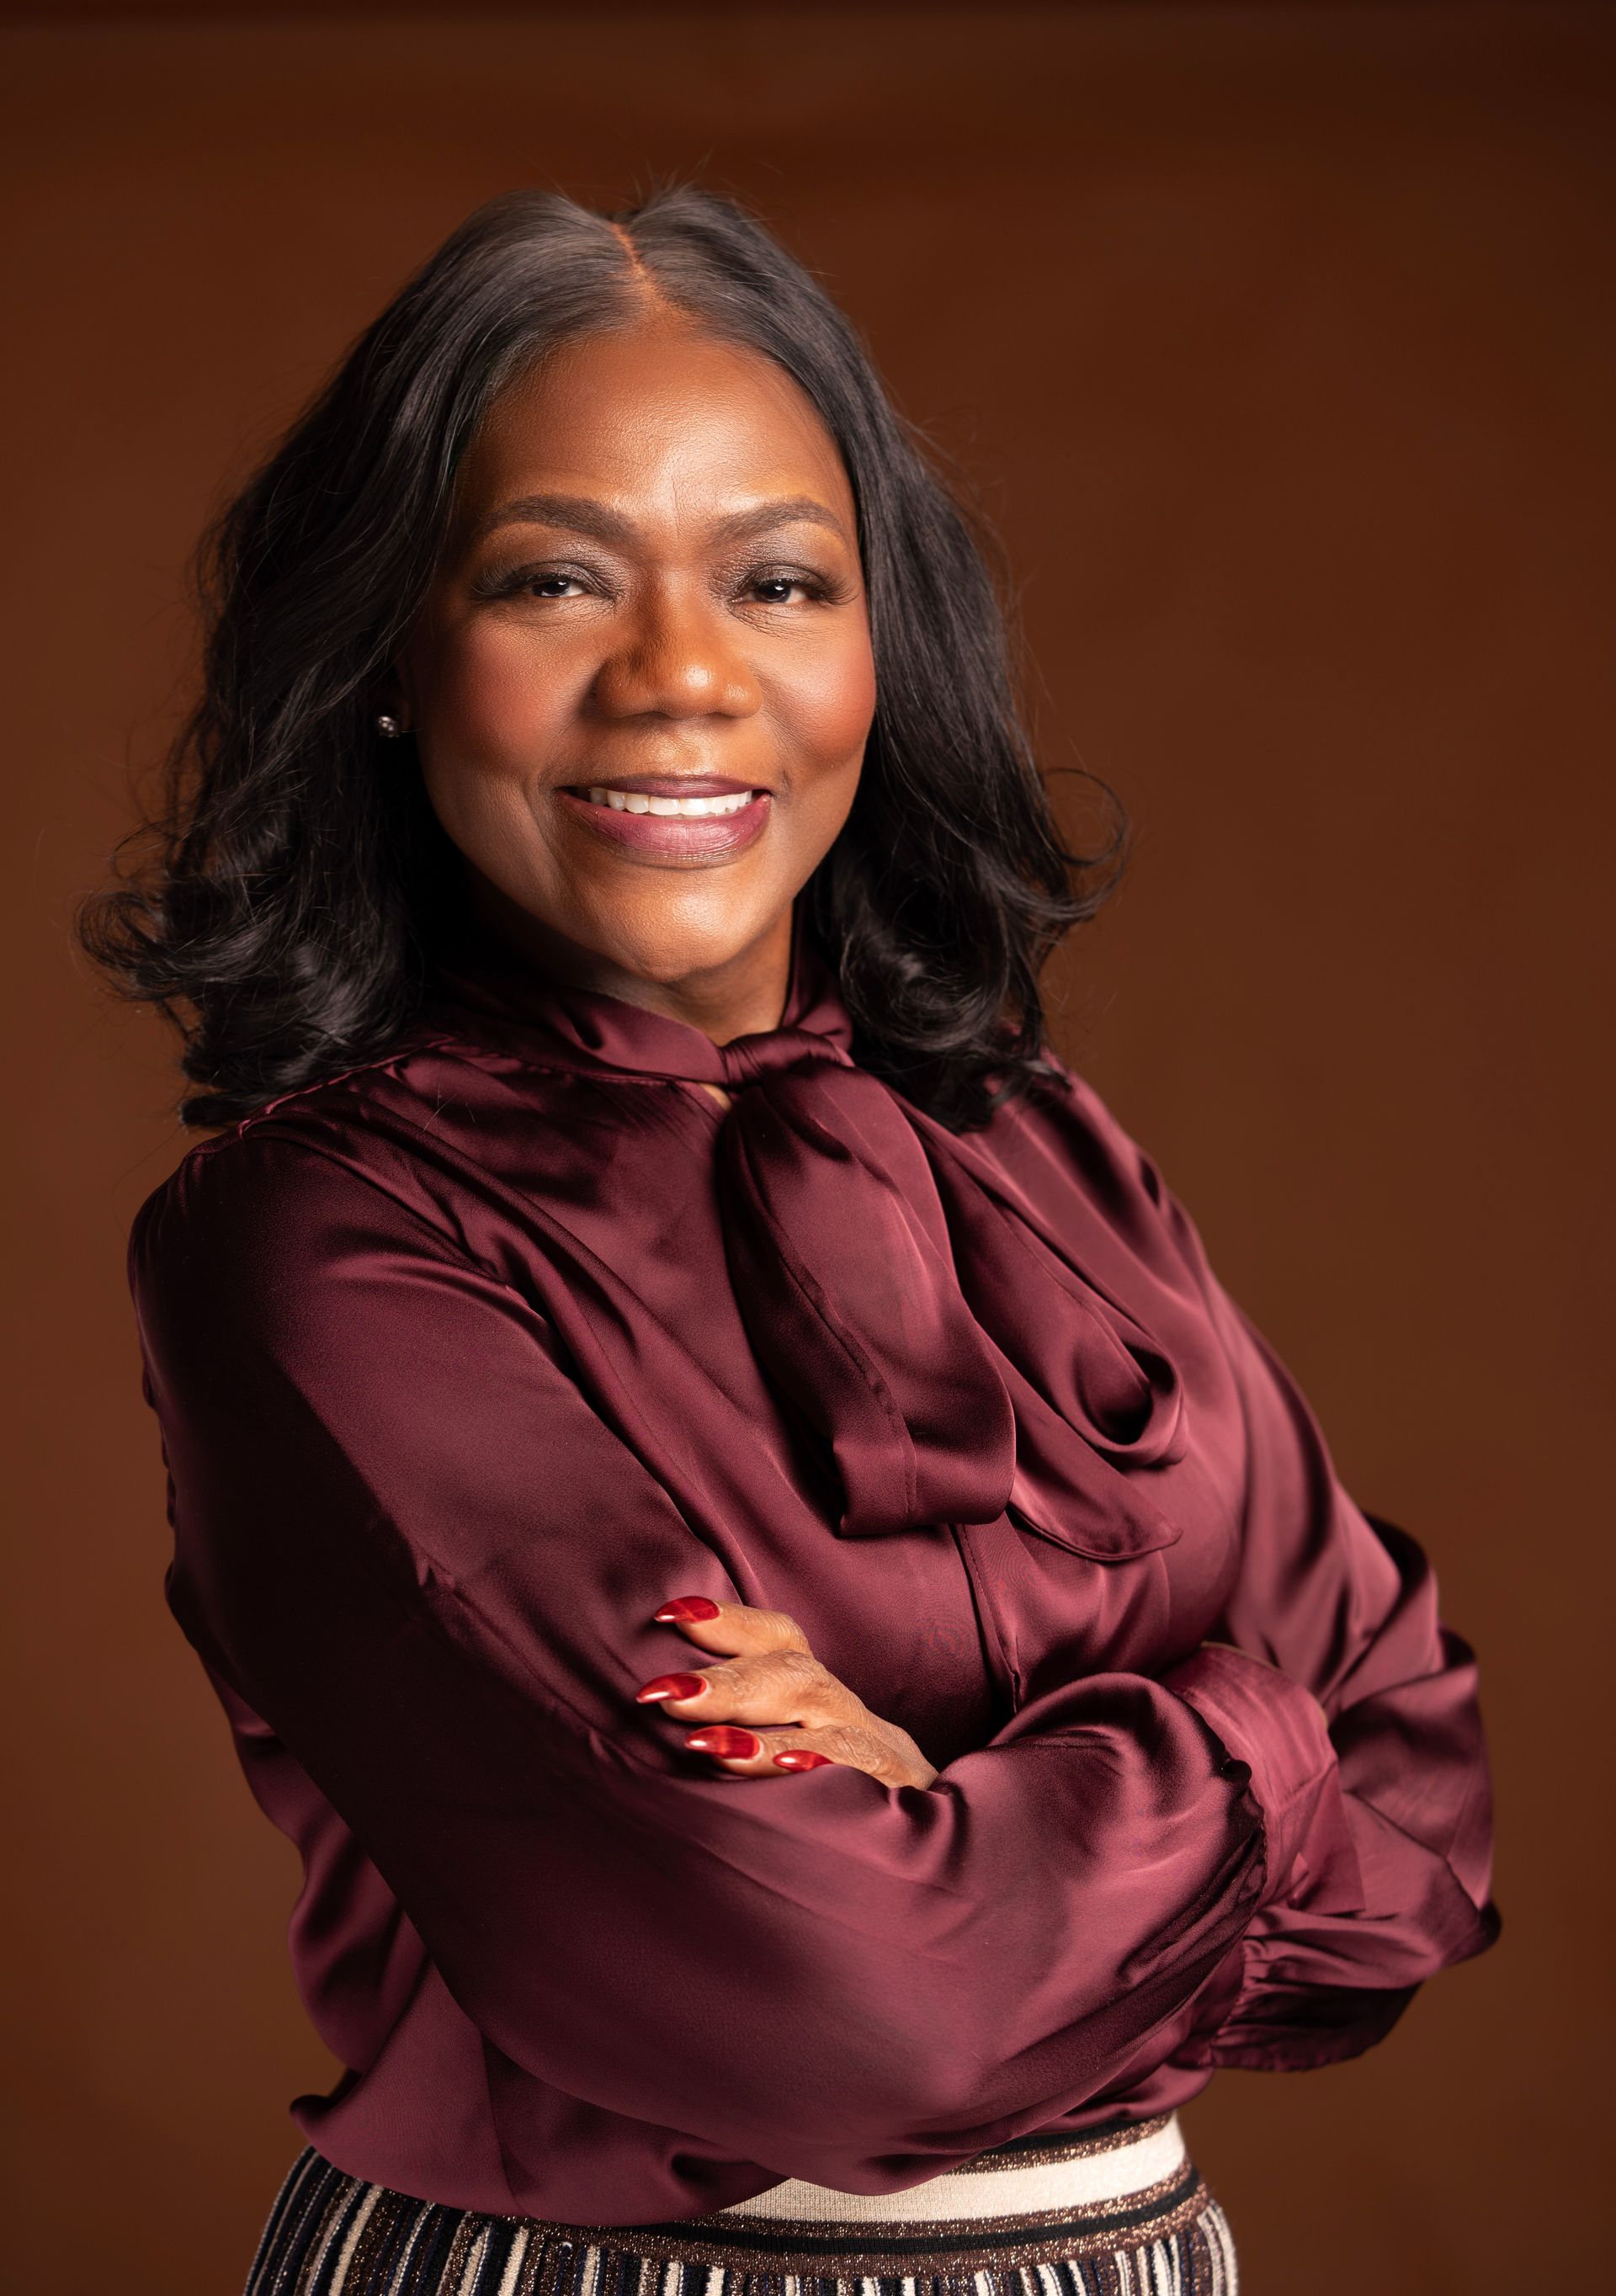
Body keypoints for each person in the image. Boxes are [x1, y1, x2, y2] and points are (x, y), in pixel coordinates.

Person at [82, 187, 1498, 2296]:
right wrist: (1248, 1744)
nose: (680, 674)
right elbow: (846, 2000)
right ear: (391, 653)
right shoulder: (316, 1240)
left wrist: (960, 1812)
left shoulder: (1038, 1136)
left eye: (776, 579)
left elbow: (1427, 1829)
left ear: (874, 645)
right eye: (555, 576)